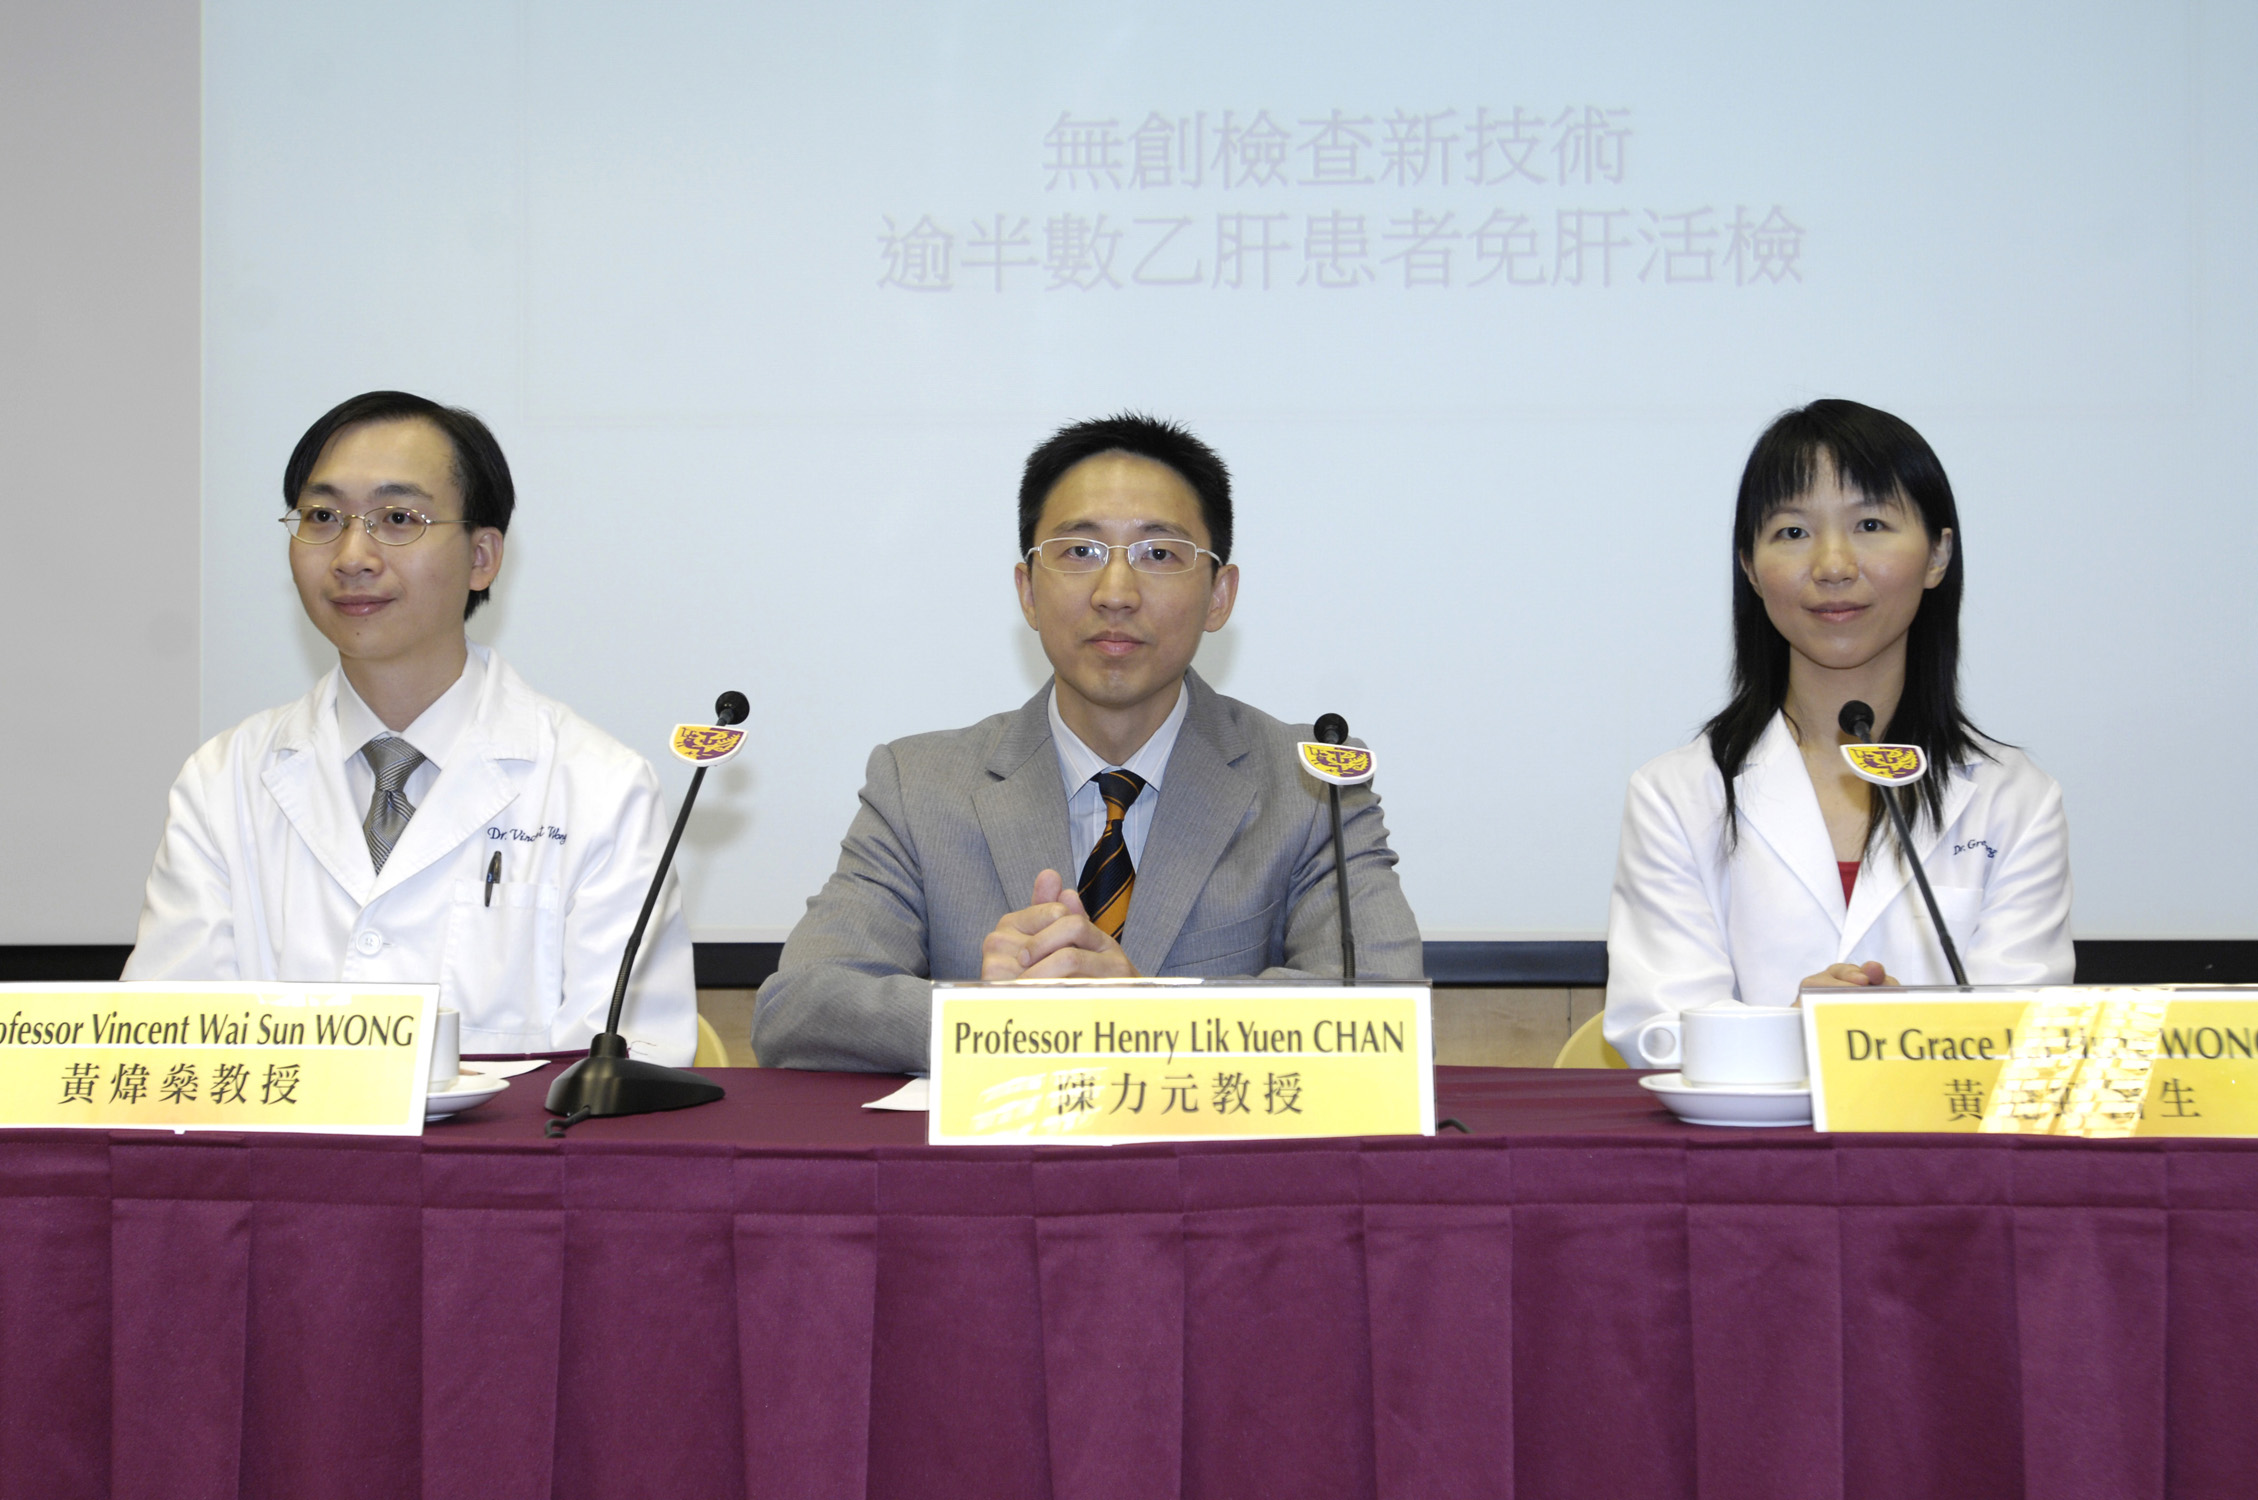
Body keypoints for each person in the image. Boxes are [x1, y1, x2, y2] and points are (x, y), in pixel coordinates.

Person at [753, 413, 1422, 1073]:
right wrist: (1000, 1024)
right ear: (1028, 592)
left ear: (1220, 595)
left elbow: (1385, 1004)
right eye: (1080, 553)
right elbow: (801, 1007)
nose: (1116, 593)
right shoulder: (919, 784)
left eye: (1159, 554)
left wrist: (1138, 1016)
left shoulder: (1311, 788)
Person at [123, 391, 697, 1063]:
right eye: (322, 516)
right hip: (283, 1169)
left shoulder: (599, 787)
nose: (352, 554)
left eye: (398, 518)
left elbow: (629, 1069)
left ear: (482, 556)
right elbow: (164, 1051)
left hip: (506, 1169)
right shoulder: (222, 782)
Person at [1602, 399, 2072, 1065]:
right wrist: (1798, 1032)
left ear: (1938, 555)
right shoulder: (1678, 792)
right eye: (1792, 533)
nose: (1831, 565)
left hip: (1943, 1158)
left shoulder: (2014, 798)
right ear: (1749, 568)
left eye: (1871, 524)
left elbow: (2033, 1029)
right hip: (1744, 1161)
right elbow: (1653, 1029)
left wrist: (1895, 1042)